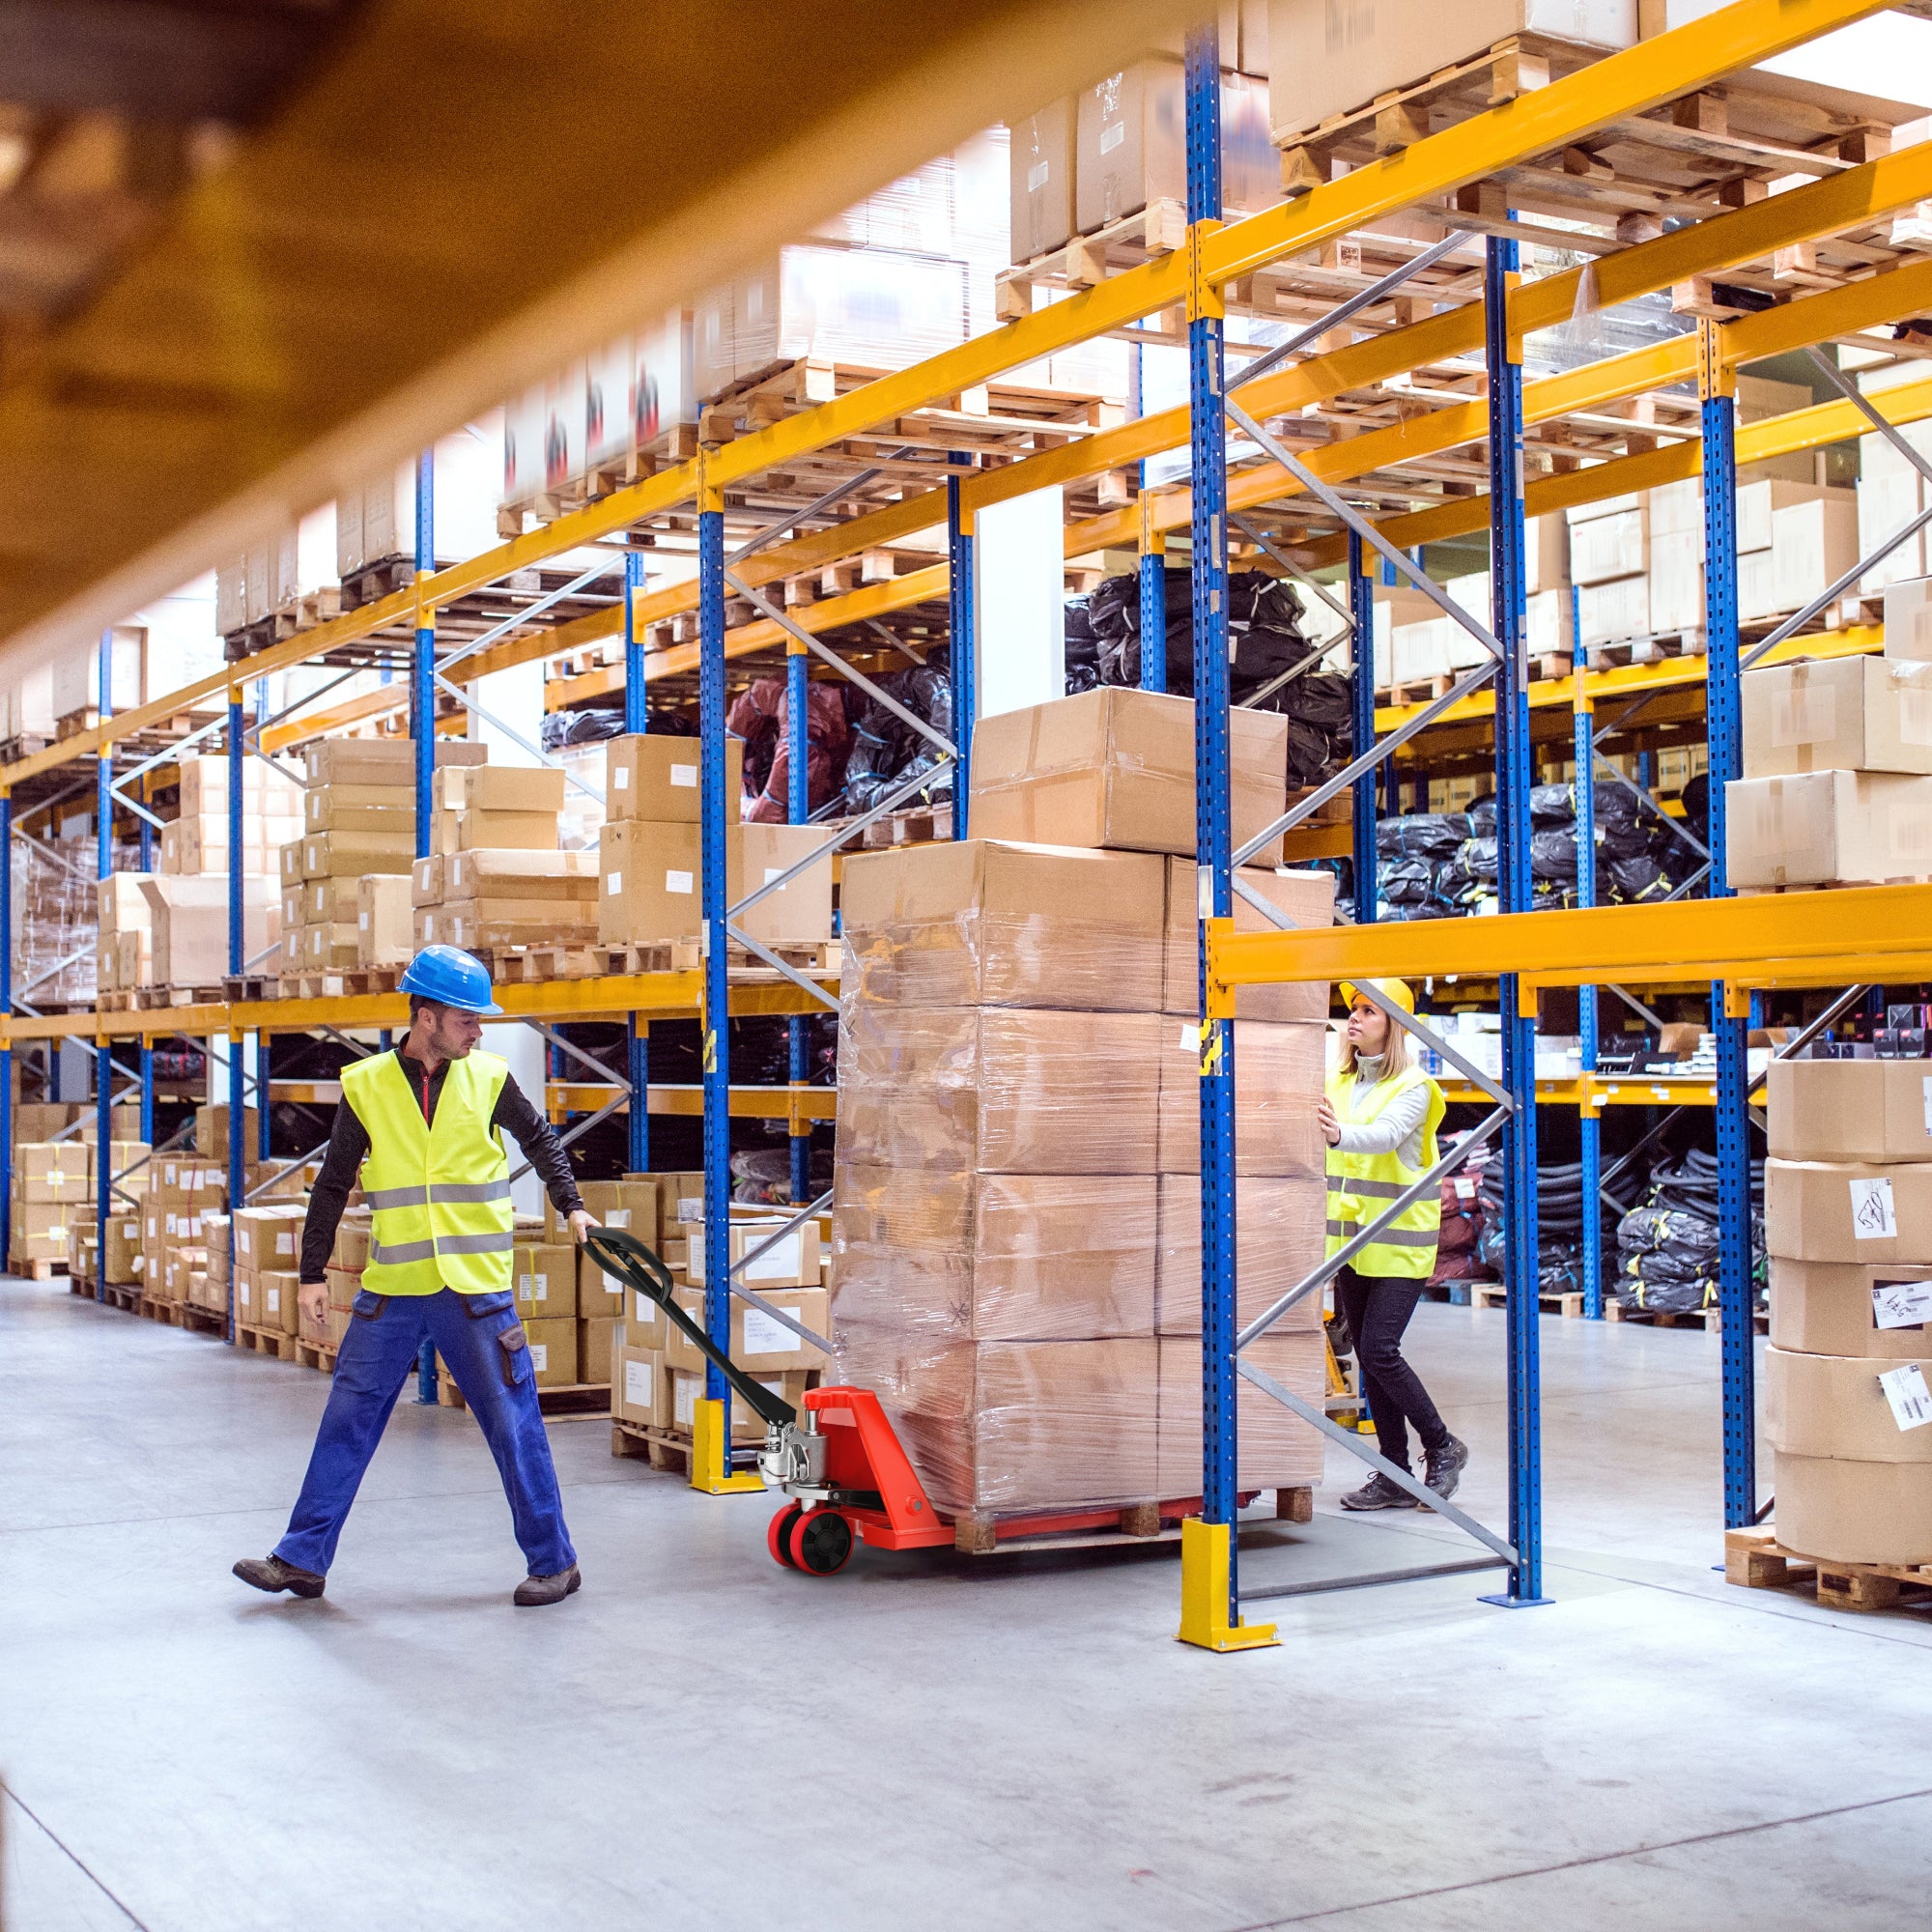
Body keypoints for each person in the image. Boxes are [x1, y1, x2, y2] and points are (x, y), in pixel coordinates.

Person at [233, 946, 596, 1606]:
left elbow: (541, 1142)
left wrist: (572, 1206)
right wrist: (312, 1273)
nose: (479, 1031)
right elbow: (334, 1182)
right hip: (394, 1291)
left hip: (474, 1292)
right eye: (466, 1019)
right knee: (347, 1419)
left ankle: (555, 1561)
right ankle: (302, 1558)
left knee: (513, 1424)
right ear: (426, 1018)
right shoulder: (366, 1085)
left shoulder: (489, 1079)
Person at [1318, 978, 1468, 1512]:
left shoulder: (1416, 1088)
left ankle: (1442, 1445)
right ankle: (1393, 1472)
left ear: (1394, 1026)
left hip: (1400, 1244)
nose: (1354, 1018)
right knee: (1368, 1355)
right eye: (1351, 1009)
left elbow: (1381, 1136)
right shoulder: (1338, 1082)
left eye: (1368, 1011)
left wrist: (1336, 1136)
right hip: (1351, 1244)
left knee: (1381, 1348)